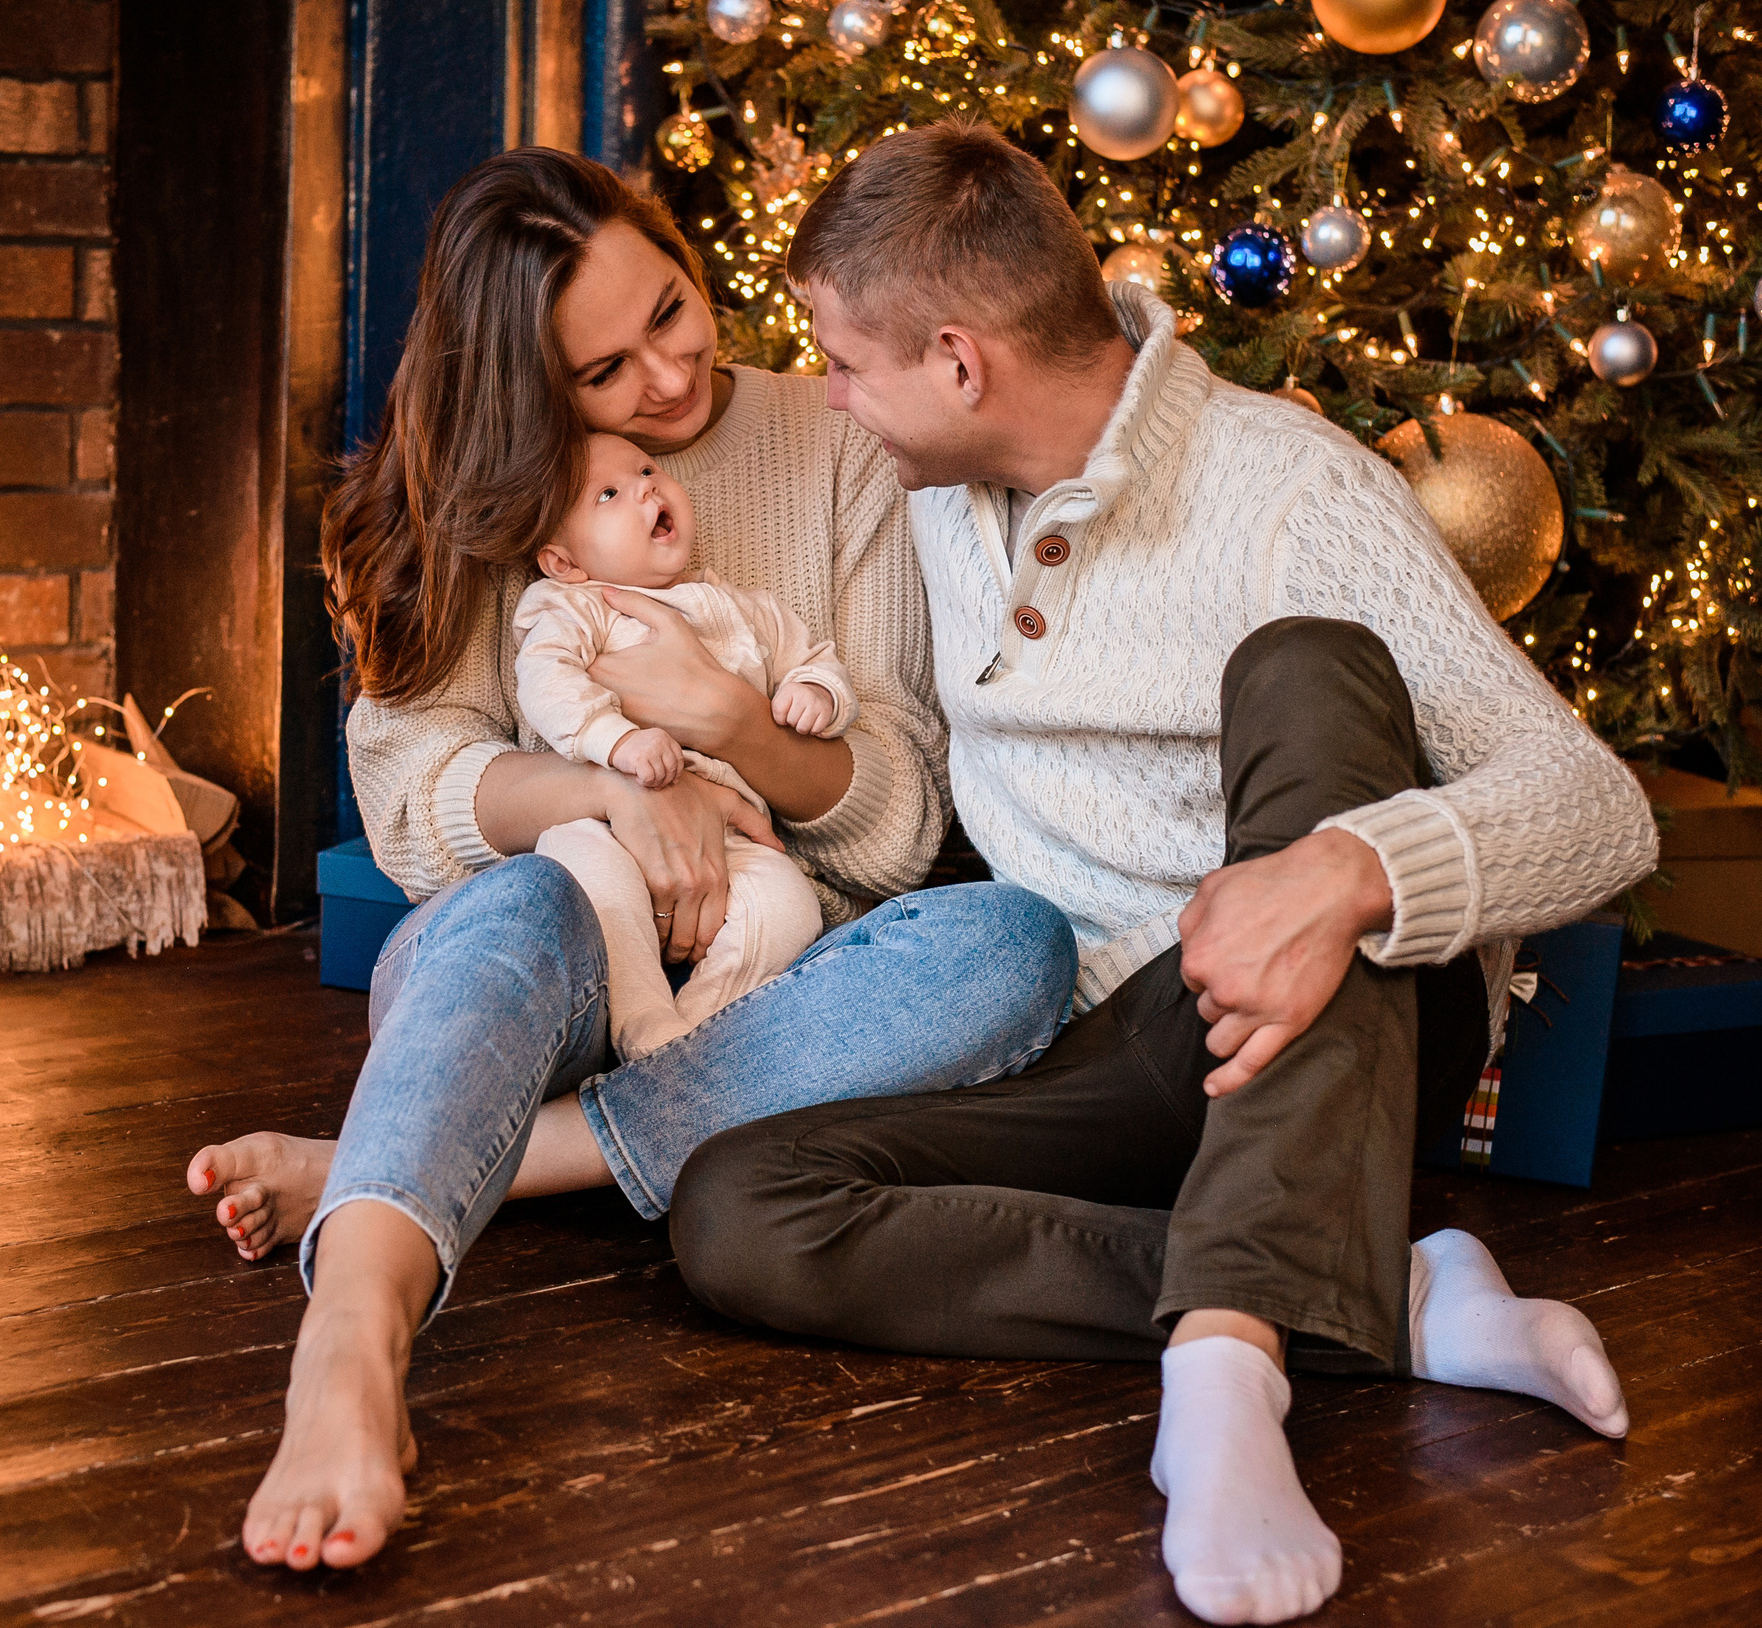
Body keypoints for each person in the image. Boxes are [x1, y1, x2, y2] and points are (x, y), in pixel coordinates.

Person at [668, 121, 1660, 1626]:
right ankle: (1388, 1295)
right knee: (743, 1210)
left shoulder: (1293, 492)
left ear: (958, 362)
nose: (832, 395)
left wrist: (1337, 873)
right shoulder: (936, 503)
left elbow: (1602, 812)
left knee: (1312, 671)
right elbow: (900, 795)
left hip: (1346, 1018)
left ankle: (1224, 1374)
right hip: (1115, 1035)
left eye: (847, 361)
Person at [184, 147, 1077, 1573]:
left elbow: (902, 816)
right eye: (605, 373)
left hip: (775, 982)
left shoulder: (843, 440)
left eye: (671, 307)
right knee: (526, 900)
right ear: (535, 391)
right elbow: (412, 795)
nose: (666, 382)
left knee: (1014, 944)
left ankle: (413, 1158)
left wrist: (732, 725)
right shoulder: (522, 492)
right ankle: (351, 1333)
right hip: (537, 967)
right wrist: (613, 790)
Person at [519, 431, 849, 1058]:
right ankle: (641, 1017)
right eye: (610, 493)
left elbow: (813, 658)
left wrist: (817, 691)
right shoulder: (579, 606)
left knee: (790, 905)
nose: (646, 485)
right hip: (604, 819)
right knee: (577, 871)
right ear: (565, 562)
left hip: (722, 839)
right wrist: (614, 741)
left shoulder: (743, 608)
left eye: (647, 470)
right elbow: (546, 679)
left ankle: (693, 1035)